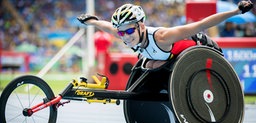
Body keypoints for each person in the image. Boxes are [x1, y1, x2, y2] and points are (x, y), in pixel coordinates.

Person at [77, 0, 253, 69]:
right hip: (172, 58)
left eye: (129, 30)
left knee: (152, 64)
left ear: (141, 26)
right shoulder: (128, 34)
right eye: (121, 32)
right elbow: (108, 27)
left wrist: (236, 11)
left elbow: (202, 24)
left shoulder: (162, 37)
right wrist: (92, 21)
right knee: (148, 65)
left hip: (203, 49)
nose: (125, 36)